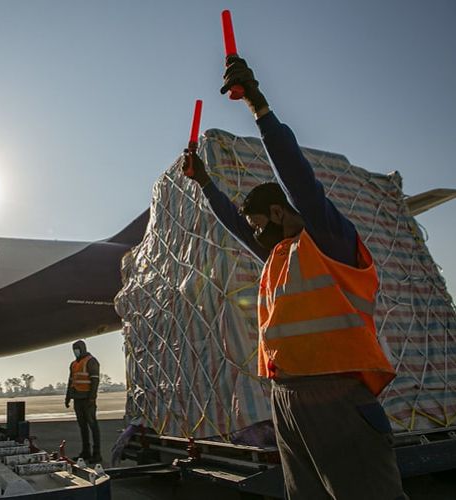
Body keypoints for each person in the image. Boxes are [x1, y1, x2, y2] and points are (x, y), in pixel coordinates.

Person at [181, 56, 406, 499]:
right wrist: (204, 182)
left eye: (260, 221)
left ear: (281, 212)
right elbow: (235, 223)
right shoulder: (278, 257)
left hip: (338, 396)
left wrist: (259, 107)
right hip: (287, 399)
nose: (254, 231)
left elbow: (299, 179)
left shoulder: (328, 241)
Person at [64, 340, 101, 463]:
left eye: (77, 349)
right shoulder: (73, 364)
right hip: (77, 399)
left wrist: (92, 398)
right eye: (74, 349)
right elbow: (71, 381)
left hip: (87, 399)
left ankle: (97, 454)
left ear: (83, 348)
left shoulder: (91, 361)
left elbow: (95, 381)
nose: (75, 351)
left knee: (93, 425)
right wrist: (68, 397)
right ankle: (85, 452)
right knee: (82, 427)